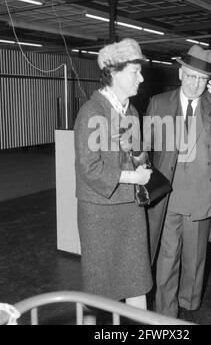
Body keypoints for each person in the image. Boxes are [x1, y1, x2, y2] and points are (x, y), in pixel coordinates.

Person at [144, 44, 211, 317]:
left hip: (202, 198)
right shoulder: (159, 103)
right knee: (167, 260)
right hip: (168, 197)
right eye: (191, 76)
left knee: (195, 260)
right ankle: (165, 316)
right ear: (180, 73)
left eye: (202, 79)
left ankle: (189, 304)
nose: (195, 84)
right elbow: (144, 147)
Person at [74, 38, 153, 309]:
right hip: (100, 214)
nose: (141, 79)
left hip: (130, 211)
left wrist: (140, 161)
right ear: (113, 73)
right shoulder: (91, 112)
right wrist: (133, 177)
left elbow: (134, 154)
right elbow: (90, 168)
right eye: (134, 72)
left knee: (138, 282)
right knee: (99, 294)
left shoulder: (131, 112)